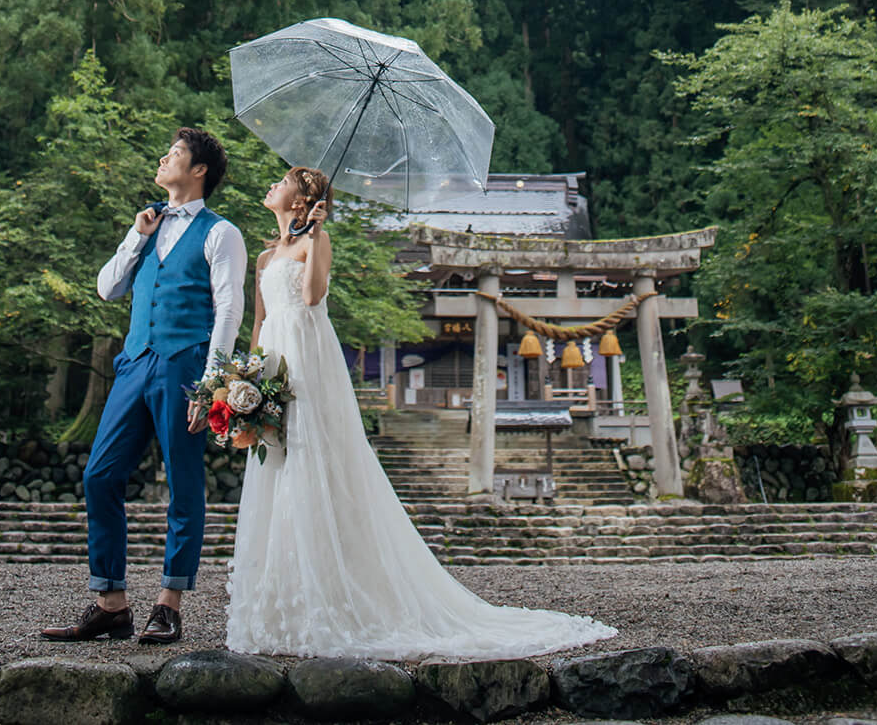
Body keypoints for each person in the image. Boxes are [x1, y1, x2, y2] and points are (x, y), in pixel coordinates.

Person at [225, 166, 616, 659]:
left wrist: (317, 235)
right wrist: (246, 378)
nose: (272, 185)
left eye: (281, 182)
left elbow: (312, 297)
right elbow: (260, 321)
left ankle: (329, 598)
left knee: (310, 455)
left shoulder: (315, 243)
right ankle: (281, 601)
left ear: (301, 201)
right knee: (277, 464)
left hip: (307, 357)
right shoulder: (263, 256)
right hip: (274, 361)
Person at [42, 126, 247, 646]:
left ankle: (168, 605)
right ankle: (111, 604)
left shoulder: (222, 233)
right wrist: (135, 236)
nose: (163, 158)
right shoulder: (148, 224)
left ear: (198, 170)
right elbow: (108, 288)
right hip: (134, 364)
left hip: (185, 369)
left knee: (183, 484)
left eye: (174, 154)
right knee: (99, 475)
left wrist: (211, 384)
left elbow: (229, 309)